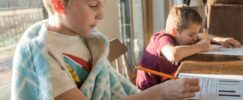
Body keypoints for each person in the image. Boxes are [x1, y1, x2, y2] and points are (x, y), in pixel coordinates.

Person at [11, 0, 200, 99]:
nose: (101, 14)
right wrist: (161, 92)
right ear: (59, 4)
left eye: (102, 5)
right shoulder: (40, 53)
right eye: (93, 5)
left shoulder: (89, 40)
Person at [136, 4, 241, 90]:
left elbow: (201, 35)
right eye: (191, 35)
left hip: (166, 84)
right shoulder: (162, 38)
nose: (195, 38)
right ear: (174, 31)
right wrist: (199, 47)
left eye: (195, 34)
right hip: (149, 92)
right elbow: (173, 54)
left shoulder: (179, 35)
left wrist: (220, 40)